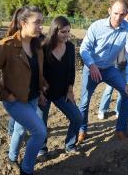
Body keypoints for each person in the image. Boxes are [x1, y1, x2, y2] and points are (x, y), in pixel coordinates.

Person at [0, 6, 47, 175]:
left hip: (32, 98)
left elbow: (37, 73)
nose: (41, 26)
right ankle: (27, 170)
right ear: (23, 23)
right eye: (37, 22)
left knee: (19, 130)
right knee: (40, 132)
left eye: (42, 22)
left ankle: (12, 157)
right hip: (15, 101)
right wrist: (4, 94)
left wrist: (41, 92)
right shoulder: (7, 45)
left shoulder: (37, 46)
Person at [78, 0, 128, 142]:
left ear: (126, 13)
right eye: (116, 13)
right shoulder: (96, 26)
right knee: (84, 101)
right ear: (109, 10)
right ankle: (82, 130)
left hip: (110, 69)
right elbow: (84, 49)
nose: (119, 17)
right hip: (92, 68)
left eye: (122, 14)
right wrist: (91, 65)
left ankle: (121, 129)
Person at [38, 16, 82, 156]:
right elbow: (37, 71)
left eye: (68, 31)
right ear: (54, 31)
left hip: (62, 93)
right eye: (63, 32)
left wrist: (70, 90)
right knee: (41, 123)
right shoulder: (43, 47)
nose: (67, 35)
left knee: (77, 117)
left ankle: (70, 144)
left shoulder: (70, 47)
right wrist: (39, 92)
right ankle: (42, 149)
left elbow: (71, 71)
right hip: (44, 93)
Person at [98, 10, 128, 120]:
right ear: (124, 19)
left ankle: (118, 110)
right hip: (115, 65)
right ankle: (102, 109)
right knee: (109, 89)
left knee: (124, 91)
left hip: (127, 67)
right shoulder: (119, 31)